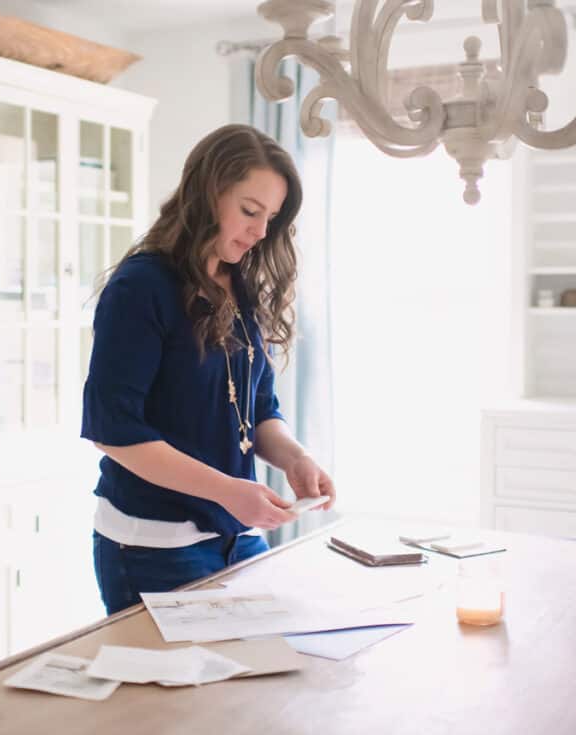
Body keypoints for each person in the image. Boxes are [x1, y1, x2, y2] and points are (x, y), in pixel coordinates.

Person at [82, 124, 336, 615]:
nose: (261, 232)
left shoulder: (238, 286)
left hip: (236, 539)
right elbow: (113, 431)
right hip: (152, 547)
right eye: (249, 211)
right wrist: (229, 492)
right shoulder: (141, 288)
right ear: (207, 193)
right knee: (179, 691)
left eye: (272, 217)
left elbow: (258, 409)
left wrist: (295, 458)